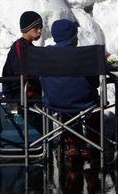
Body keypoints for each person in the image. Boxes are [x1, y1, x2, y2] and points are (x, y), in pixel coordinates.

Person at [39, 19, 100, 163]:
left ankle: (72, 144)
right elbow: (95, 82)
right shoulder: (84, 55)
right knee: (95, 105)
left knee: (65, 104)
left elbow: (40, 76)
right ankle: (91, 144)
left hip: (54, 100)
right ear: (73, 36)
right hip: (83, 101)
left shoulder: (46, 54)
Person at [1, 11, 43, 100]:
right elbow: (25, 72)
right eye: (36, 28)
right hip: (23, 94)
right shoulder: (21, 48)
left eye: (40, 28)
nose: (39, 31)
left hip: (26, 91)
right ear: (26, 28)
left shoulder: (24, 46)